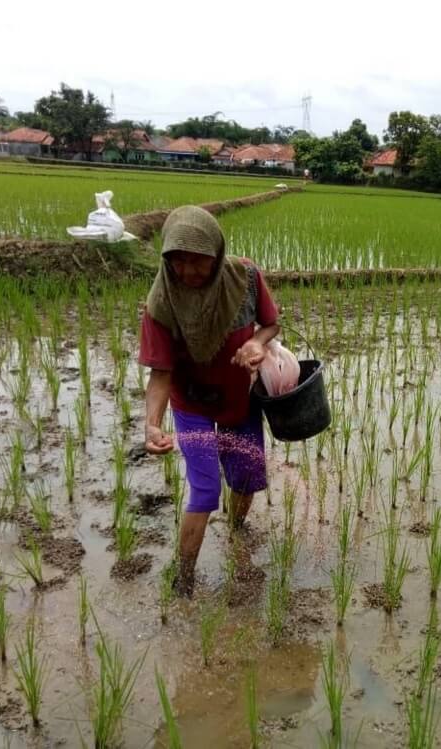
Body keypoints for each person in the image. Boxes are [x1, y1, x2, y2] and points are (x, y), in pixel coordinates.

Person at [138, 205, 280, 597]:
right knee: (204, 489)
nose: (188, 272)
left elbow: (271, 323)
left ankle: (236, 533)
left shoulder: (246, 277)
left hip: (241, 398)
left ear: (217, 256)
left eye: (199, 262)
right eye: (178, 262)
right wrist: (152, 423)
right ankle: (183, 579)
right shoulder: (162, 303)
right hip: (193, 405)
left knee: (246, 477)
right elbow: (160, 373)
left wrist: (255, 342)